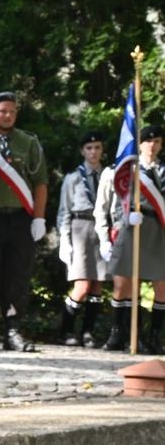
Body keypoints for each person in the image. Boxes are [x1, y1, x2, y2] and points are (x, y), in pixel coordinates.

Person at [0, 91, 48, 352]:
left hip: (19, 218)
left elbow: (40, 182)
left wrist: (38, 217)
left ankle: (13, 332)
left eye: (12, 111)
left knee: (18, 274)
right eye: (3, 111)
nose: (7, 115)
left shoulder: (28, 142)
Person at [94, 124, 165, 353]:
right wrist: (104, 237)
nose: (152, 146)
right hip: (130, 227)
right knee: (123, 284)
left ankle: (154, 337)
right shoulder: (122, 170)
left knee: (161, 285)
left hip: (158, 229)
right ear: (139, 143)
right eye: (147, 141)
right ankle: (120, 334)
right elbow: (101, 208)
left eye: (157, 142)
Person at [56, 131, 107, 346]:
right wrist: (64, 241)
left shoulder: (108, 175)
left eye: (97, 148)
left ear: (102, 150)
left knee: (98, 285)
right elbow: (64, 210)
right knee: (82, 284)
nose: (93, 152)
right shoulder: (73, 178)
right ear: (82, 151)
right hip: (80, 228)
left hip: (102, 228)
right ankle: (66, 330)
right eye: (89, 148)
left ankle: (88, 332)